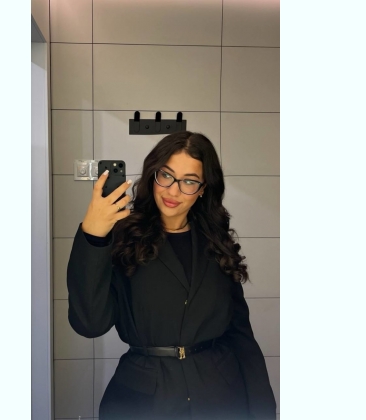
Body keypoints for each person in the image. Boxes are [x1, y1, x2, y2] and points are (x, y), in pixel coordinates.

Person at [67, 131, 277, 419]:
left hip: (219, 392)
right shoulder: (122, 239)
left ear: (203, 188)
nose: (173, 191)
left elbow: (241, 335)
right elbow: (90, 324)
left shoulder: (216, 243)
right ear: (153, 174)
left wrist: (263, 409)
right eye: (166, 175)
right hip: (144, 398)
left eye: (189, 181)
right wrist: (93, 235)